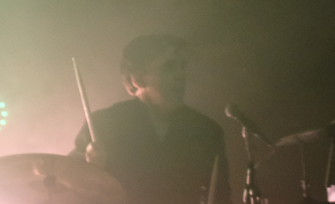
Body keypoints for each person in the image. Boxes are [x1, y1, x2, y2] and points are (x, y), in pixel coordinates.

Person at [71, 35, 230, 204]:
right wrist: (91, 170)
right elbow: (66, 185)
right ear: (138, 79)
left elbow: (221, 197)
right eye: (169, 67)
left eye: (182, 66)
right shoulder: (103, 124)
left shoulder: (207, 131)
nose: (180, 75)